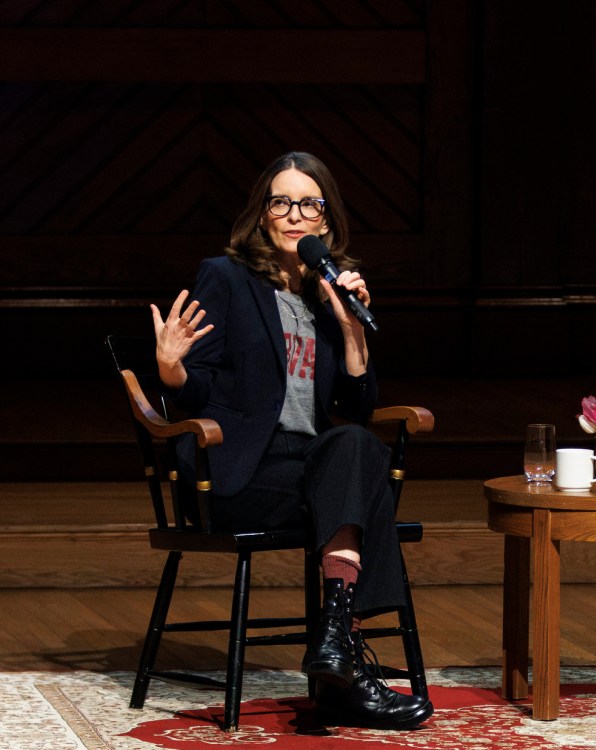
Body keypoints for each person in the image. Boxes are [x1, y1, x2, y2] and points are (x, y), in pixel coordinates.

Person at [150, 151, 433, 730]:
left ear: (326, 222)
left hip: (308, 468)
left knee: (355, 446)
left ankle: (333, 645)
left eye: (309, 204)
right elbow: (197, 391)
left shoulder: (328, 293)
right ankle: (347, 666)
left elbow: (353, 410)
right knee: (364, 481)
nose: (295, 214)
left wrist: (352, 330)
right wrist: (172, 370)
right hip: (240, 470)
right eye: (282, 202)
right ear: (262, 214)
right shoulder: (227, 278)